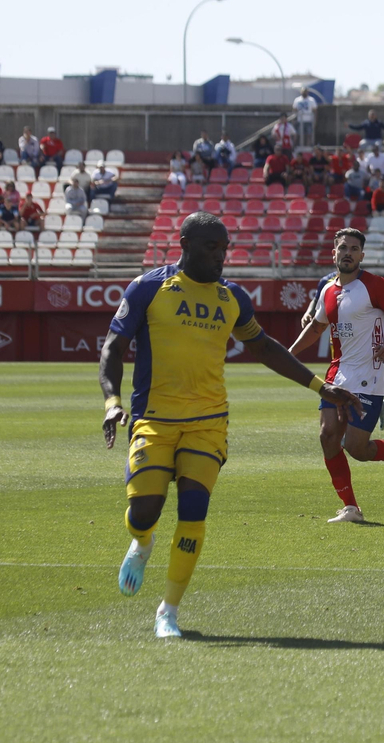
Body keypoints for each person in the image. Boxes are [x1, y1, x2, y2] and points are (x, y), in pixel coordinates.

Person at [102, 213, 361, 638]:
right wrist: (112, 402)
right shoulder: (148, 288)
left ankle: (168, 611)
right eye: (211, 248)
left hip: (208, 423)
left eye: (224, 249)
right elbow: (113, 348)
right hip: (154, 420)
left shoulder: (232, 297)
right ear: (185, 244)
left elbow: (264, 347)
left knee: (193, 510)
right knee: (144, 512)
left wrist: (321, 387)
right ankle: (143, 542)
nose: (220, 257)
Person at [287, 229, 384, 523]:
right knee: (328, 437)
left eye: (353, 248)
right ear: (333, 253)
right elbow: (316, 328)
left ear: (362, 255)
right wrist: (290, 353)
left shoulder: (375, 285)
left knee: (356, 448)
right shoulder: (327, 290)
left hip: (369, 374)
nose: (347, 253)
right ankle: (351, 508)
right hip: (337, 373)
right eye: (342, 248)